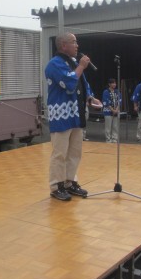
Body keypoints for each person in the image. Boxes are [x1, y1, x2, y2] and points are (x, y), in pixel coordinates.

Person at [45, 32, 100, 201]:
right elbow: (69, 83)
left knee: (75, 151)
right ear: (63, 45)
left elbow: (83, 84)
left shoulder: (74, 63)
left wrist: (90, 97)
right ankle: (56, 185)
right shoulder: (54, 64)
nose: (77, 45)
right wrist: (82, 66)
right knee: (60, 152)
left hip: (75, 112)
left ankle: (70, 181)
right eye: (74, 42)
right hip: (61, 114)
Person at [102, 78, 121, 143]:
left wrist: (116, 109)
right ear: (109, 84)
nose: (114, 84)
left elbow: (119, 101)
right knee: (108, 126)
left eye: (115, 83)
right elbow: (106, 102)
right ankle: (108, 139)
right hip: (108, 111)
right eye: (112, 83)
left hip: (116, 111)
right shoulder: (106, 92)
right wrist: (112, 110)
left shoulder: (117, 92)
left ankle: (114, 138)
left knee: (115, 126)